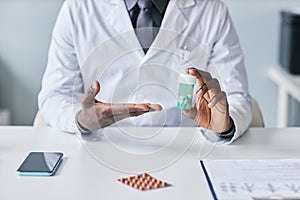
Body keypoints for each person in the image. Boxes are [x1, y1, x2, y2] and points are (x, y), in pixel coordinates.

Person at [38, 0, 252, 144]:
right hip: (102, 143)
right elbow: (54, 95)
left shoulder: (211, 10)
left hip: (188, 147)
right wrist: (80, 119)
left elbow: (237, 95)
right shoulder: (78, 7)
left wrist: (224, 126)